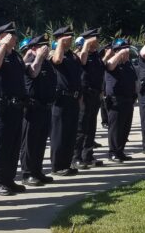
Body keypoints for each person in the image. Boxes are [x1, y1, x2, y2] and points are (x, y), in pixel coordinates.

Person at [0, 23, 29, 193]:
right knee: (0, 145)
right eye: (9, 34)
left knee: (13, 145)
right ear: (0, 37)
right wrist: (2, 46)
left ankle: (9, 179)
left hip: (16, 106)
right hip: (1, 106)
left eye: (13, 34)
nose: (14, 37)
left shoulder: (16, 56)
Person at [21, 35, 56, 184]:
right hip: (33, 108)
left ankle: (37, 170)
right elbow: (33, 73)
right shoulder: (30, 61)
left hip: (46, 107)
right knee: (30, 142)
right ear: (34, 48)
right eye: (43, 46)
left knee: (41, 141)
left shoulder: (46, 62)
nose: (46, 49)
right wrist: (39, 57)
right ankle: (28, 173)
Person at [50, 26, 82, 175]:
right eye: (68, 36)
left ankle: (66, 163)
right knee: (59, 133)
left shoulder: (73, 55)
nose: (71, 39)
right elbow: (57, 60)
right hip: (61, 98)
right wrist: (60, 45)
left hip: (74, 98)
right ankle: (57, 166)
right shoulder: (55, 51)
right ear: (61, 37)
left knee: (70, 133)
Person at [75, 28, 105, 169]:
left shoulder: (96, 55)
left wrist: (100, 91)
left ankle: (87, 155)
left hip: (95, 93)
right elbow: (81, 62)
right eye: (95, 39)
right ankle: (76, 157)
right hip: (84, 95)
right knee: (81, 127)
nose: (97, 42)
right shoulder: (81, 53)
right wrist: (86, 45)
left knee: (91, 127)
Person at [103, 39, 136, 161]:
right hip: (116, 100)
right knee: (115, 128)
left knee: (125, 128)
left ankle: (120, 151)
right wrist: (119, 53)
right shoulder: (112, 62)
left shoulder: (127, 64)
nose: (127, 53)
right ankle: (113, 152)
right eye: (124, 50)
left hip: (128, 99)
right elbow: (110, 65)